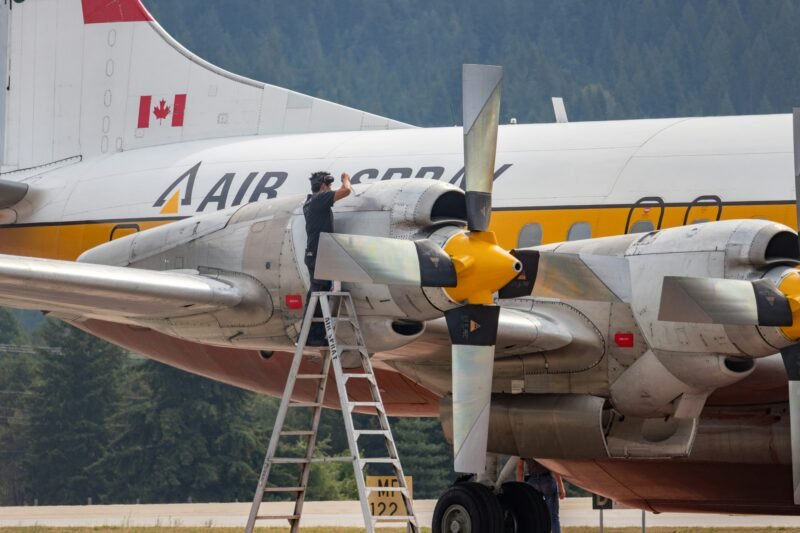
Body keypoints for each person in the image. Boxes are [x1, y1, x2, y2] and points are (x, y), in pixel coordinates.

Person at [303, 170, 351, 346]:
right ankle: (311, 336)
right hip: (318, 254)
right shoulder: (318, 200)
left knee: (318, 293)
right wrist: (345, 180)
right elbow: (346, 191)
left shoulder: (311, 201)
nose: (331, 188)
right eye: (329, 186)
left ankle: (314, 334)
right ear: (323, 186)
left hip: (316, 253)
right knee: (318, 294)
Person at [523, 458, 565, 533]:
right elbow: (555, 467)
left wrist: (521, 489)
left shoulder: (525, 448)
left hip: (532, 482)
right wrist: (561, 486)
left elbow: (519, 468)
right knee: (553, 518)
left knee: (536, 517)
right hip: (547, 480)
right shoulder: (546, 448)